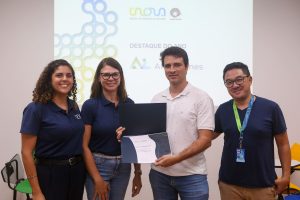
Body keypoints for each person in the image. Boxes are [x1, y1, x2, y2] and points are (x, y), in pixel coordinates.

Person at [214, 62, 291, 200]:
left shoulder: (270, 108)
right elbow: (207, 136)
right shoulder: (223, 110)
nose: (235, 85)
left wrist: (285, 176)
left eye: (239, 79)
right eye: (229, 82)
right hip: (229, 185)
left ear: (250, 79)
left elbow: (283, 144)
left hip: (263, 186)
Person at [149, 46, 215, 200]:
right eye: (168, 65)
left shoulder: (201, 98)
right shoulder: (157, 99)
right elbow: (150, 135)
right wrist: (126, 135)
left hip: (192, 176)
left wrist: (176, 158)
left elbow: (205, 140)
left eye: (177, 64)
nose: (172, 69)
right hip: (160, 175)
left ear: (187, 67)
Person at [20, 59, 86, 200]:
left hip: (77, 172)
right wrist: (36, 192)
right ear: (49, 79)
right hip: (50, 174)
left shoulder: (74, 106)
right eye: (59, 75)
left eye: (69, 75)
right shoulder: (35, 109)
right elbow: (26, 153)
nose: (65, 79)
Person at [81, 57, 142, 200]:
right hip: (98, 166)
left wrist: (138, 173)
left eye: (115, 74)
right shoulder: (90, 105)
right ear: (98, 78)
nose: (111, 78)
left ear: (120, 77)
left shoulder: (129, 103)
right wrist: (97, 178)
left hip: (123, 167)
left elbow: (134, 143)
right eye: (106, 74)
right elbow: (84, 146)